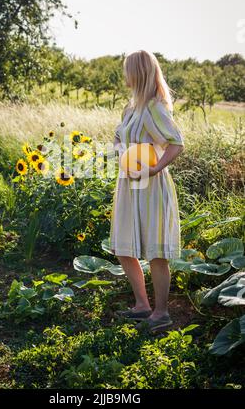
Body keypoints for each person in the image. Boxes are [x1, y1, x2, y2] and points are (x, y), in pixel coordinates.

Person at [109, 49, 184, 332]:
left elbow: (176, 143)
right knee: (123, 246)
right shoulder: (131, 108)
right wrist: (122, 153)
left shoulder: (155, 107)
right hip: (129, 183)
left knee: (155, 249)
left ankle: (162, 312)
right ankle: (142, 305)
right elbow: (118, 136)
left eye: (127, 69)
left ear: (137, 73)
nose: (124, 74)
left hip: (151, 185)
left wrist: (153, 168)